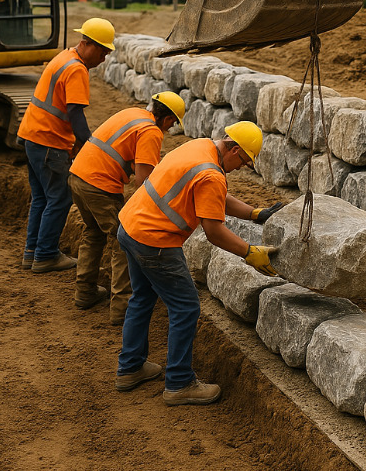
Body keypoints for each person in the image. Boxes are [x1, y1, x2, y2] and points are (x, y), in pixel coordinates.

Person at [113, 121, 285, 405]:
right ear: (232, 148)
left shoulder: (201, 148)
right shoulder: (211, 174)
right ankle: (179, 383)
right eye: (243, 160)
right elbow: (214, 231)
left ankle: (130, 368)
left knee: (142, 297)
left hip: (131, 227)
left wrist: (256, 213)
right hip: (155, 242)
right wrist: (250, 252)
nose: (242, 167)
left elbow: (216, 195)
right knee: (186, 307)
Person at [67, 91, 187, 325]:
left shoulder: (133, 114)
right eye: (173, 121)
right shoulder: (151, 131)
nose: (171, 127)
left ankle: (85, 292)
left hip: (78, 176)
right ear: (166, 117)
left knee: (93, 233)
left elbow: (123, 154)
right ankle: (121, 310)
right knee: (122, 241)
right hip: (99, 186)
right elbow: (143, 182)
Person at [17, 17, 115, 274]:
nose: (103, 59)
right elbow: (75, 113)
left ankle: (32, 252)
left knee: (41, 198)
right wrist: (89, 143)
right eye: (102, 52)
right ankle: (46, 255)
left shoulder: (63, 57)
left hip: (32, 137)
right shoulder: (76, 69)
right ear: (86, 44)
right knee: (59, 199)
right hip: (49, 143)